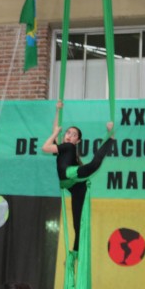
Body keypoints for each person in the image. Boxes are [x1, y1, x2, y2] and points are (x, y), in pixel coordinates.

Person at [41, 103, 115, 252]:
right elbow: (55, 129)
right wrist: (58, 111)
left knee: (93, 165)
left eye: (74, 135)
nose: (69, 135)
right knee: (77, 220)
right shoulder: (63, 149)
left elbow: (45, 147)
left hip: (72, 177)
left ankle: (77, 249)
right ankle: (77, 249)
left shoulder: (68, 147)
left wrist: (56, 132)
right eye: (68, 133)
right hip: (73, 184)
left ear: (77, 141)